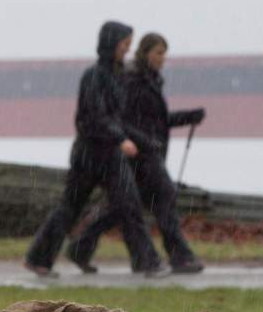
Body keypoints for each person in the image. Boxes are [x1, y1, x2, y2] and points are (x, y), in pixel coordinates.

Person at [24, 21, 168, 278]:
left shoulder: (116, 76)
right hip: (93, 153)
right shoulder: (94, 76)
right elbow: (92, 118)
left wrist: (145, 142)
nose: (127, 50)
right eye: (124, 45)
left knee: (125, 205)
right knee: (75, 207)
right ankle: (39, 259)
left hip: (108, 152)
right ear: (111, 43)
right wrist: (119, 139)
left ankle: (145, 262)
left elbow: (119, 119)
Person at [66, 32, 206, 274]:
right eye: (159, 53)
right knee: (164, 196)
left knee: (121, 206)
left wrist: (187, 117)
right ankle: (178, 256)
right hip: (138, 153)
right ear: (146, 52)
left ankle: (80, 247)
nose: (163, 58)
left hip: (146, 151)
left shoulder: (150, 80)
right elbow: (123, 120)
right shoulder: (133, 80)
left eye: (165, 54)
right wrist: (142, 142)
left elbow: (156, 121)